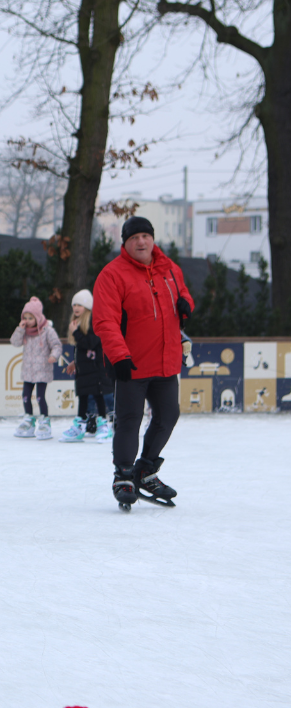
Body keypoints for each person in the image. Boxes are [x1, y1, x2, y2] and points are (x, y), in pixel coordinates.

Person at [93, 215, 193, 510]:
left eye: (145, 236)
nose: (141, 241)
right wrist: (119, 355)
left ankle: (145, 470)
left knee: (168, 416)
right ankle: (123, 474)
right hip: (132, 364)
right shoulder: (112, 275)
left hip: (166, 361)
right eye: (134, 237)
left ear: (152, 239)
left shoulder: (169, 269)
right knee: (128, 420)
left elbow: (182, 292)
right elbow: (105, 321)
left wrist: (187, 303)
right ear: (125, 243)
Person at [60, 289, 112, 443]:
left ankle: (103, 424)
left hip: (95, 369)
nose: (76, 308)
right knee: (83, 396)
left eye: (80, 305)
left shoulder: (94, 322)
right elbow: (82, 348)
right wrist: (76, 361)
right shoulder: (79, 323)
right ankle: (80, 425)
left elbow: (90, 343)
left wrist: (76, 332)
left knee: (99, 395)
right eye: (74, 304)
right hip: (84, 369)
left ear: (88, 307)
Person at [10, 296, 62, 440]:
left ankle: (44, 420)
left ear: (38, 318)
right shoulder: (25, 331)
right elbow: (14, 342)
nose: (26, 321)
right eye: (24, 317)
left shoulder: (47, 331)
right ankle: (29, 419)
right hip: (28, 371)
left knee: (40, 397)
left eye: (30, 318)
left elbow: (56, 345)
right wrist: (19, 330)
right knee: (25, 396)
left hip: (42, 371)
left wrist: (54, 356)